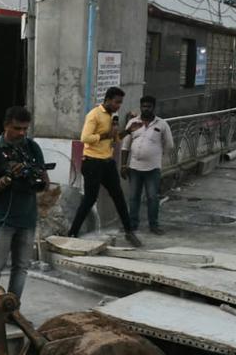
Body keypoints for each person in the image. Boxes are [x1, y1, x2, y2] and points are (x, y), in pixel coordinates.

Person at [0, 106, 47, 300]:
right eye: (17, 128)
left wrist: (36, 177)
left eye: (25, 129)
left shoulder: (32, 147)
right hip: (2, 219)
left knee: (21, 267)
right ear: (6, 126)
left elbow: (44, 183)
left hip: (27, 219)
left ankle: (12, 309)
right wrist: (8, 179)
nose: (22, 133)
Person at [67, 87, 143, 247]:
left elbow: (115, 139)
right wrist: (104, 135)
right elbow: (85, 138)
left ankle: (129, 232)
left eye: (120, 103)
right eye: (116, 102)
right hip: (93, 162)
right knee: (89, 199)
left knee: (119, 197)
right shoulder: (94, 115)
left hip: (107, 162)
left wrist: (128, 131)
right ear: (107, 100)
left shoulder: (112, 116)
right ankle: (72, 233)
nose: (118, 106)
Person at [121, 95, 175, 235]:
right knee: (133, 198)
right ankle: (132, 225)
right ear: (140, 107)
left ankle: (154, 225)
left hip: (153, 168)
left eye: (148, 106)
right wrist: (123, 165)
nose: (146, 109)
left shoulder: (162, 124)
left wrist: (157, 156)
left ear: (153, 107)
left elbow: (169, 145)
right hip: (134, 167)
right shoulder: (133, 123)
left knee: (152, 197)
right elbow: (125, 146)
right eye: (143, 106)